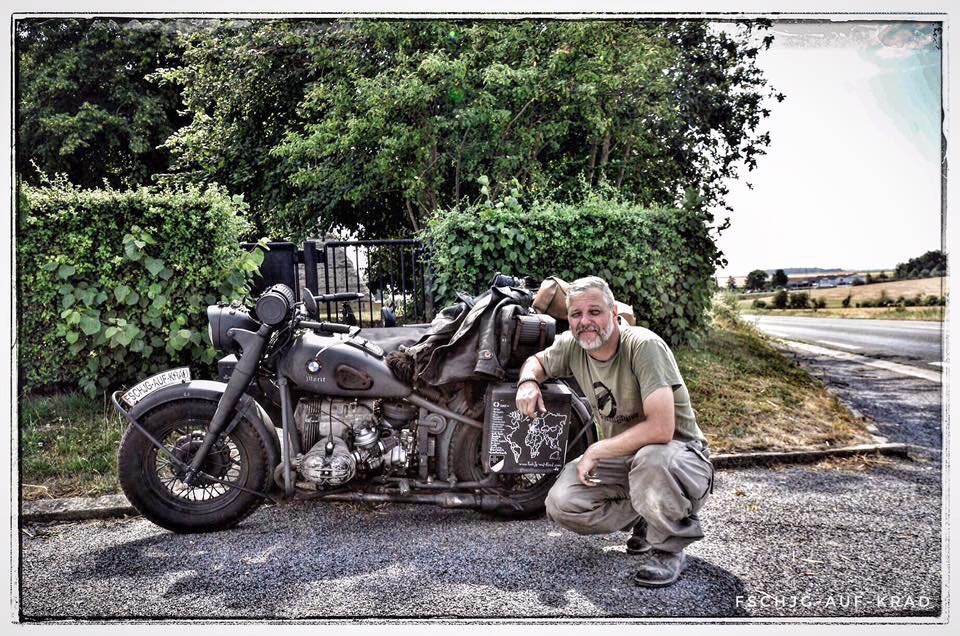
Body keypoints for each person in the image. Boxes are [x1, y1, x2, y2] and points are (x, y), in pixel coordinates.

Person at [515, 276, 713, 588]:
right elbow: (537, 361)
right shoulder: (572, 345)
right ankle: (647, 517)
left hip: (680, 460)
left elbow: (662, 428)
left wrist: (596, 450)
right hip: (628, 461)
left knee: (652, 459)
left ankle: (669, 547)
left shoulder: (644, 346)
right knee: (562, 502)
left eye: (594, 311)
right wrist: (528, 382)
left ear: (614, 311)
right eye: (576, 314)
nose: (585, 321)